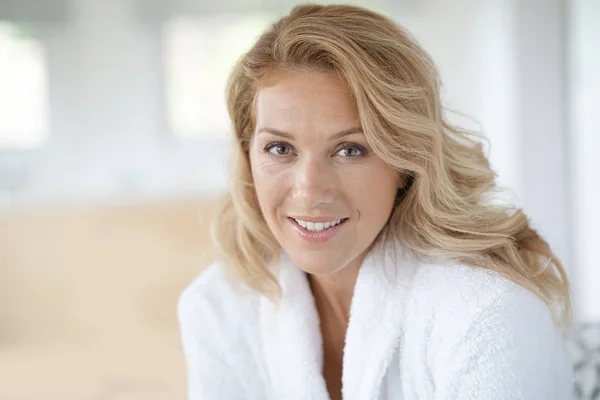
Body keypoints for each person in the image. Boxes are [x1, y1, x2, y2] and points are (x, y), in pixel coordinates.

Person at [177, 4, 574, 399]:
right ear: (248, 155)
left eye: (350, 150)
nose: (310, 190)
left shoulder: (485, 310)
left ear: (406, 162)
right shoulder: (219, 308)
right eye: (280, 148)